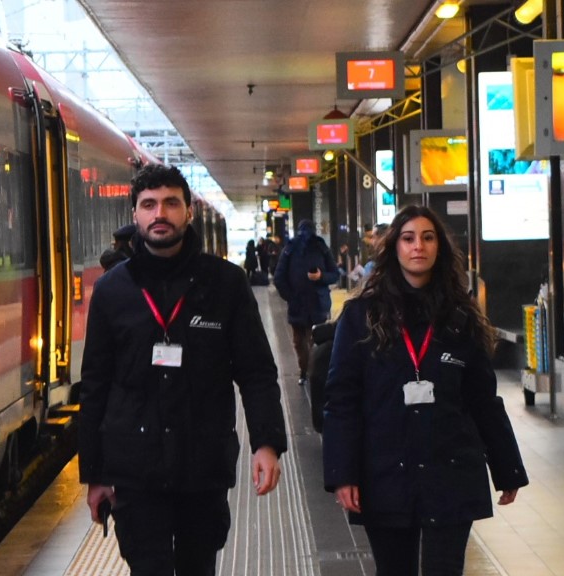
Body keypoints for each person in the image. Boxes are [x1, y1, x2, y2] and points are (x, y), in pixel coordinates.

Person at [76, 163, 287, 576]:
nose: (160, 214)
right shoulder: (111, 291)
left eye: (171, 203)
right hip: (135, 470)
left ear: (188, 211)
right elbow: (95, 385)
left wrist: (268, 443)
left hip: (202, 464)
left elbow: (257, 372)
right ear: (135, 215)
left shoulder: (226, 284)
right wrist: (95, 475)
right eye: (149, 205)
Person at [322, 206, 528, 576]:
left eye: (428, 237)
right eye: (408, 238)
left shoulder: (460, 319)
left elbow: (483, 399)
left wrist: (507, 468)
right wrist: (342, 472)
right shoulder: (361, 317)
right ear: (394, 248)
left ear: (439, 248)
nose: (419, 246)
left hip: (449, 469)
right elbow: (342, 401)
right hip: (385, 472)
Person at [272, 220, 340, 384]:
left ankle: (306, 371)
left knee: (300, 340)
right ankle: (312, 371)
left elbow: (279, 277)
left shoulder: (291, 248)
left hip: (303, 303)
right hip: (316, 302)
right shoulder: (320, 247)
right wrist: (321, 277)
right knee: (314, 339)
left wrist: (290, 296)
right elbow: (335, 274)